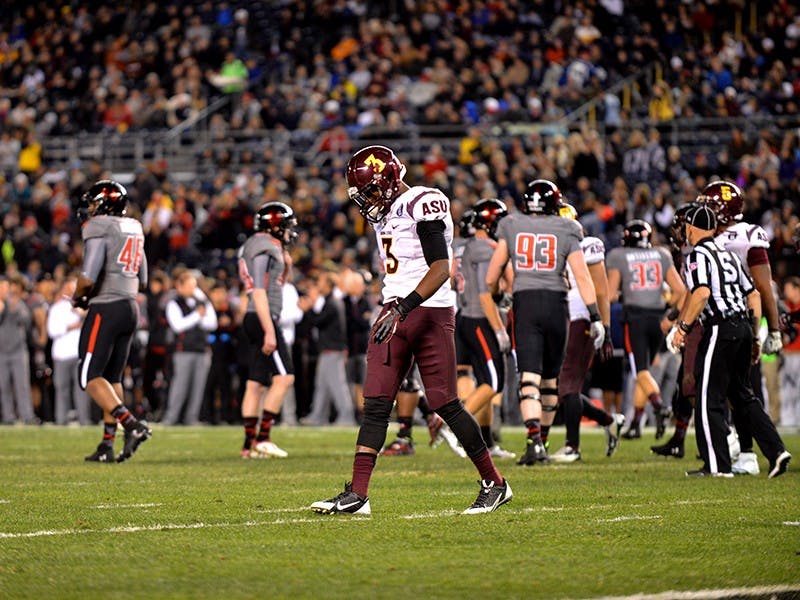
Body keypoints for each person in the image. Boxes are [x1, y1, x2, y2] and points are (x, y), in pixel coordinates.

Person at [311, 145, 511, 515]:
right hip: (394, 310)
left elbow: (440, 266)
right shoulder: (382, 214)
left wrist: (403, 307)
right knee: (375, 403)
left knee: (444, 402)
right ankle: (358, 494)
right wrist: (393, 307)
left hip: (428, 311)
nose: (368, 200)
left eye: (371, 190)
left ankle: (495, 483)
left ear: (388, 181)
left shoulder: (424, 201)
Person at [486, 179, 604, 466]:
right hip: (557, 305)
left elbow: (492, 276)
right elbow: (582, 276)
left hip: (526, 303)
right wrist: (596, 316)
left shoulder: (512, 224)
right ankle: (545, 441)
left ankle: (534, 441)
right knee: (551, 380)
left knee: (530, 378)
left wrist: (499, 294)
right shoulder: (568, 228)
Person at [667, 204, 790, 478]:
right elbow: (754, 295)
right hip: (744, 327)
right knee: (743, 395)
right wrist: (755, 335)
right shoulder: (729, 255)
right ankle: (776, 450)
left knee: (707, 397)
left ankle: (717, 466)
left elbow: (700, 294)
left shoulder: (698, 254)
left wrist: (683, 328)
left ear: (690, 227)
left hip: (720, 329)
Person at [695, 181, 784, 476]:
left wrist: (772, 329)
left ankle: (742, 450)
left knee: (736, 389)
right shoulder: (721, 238)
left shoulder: (743, 236)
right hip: (740, 321)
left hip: (735, 320)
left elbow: (762, 287)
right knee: (738, 390)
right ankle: (752, 449)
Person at [75, 180, 152, 463]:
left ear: (105, 205)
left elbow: (88, 275)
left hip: (106, 307)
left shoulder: (99, 227)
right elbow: (142, 280)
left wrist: (78, 296)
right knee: (112, 378)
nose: (91, 210)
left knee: (89, 376)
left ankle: (132, 424)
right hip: (130, 307)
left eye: (95, 204)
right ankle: (107, 444)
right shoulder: (134, 226)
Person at [553, 203, 624, 462]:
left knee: (569, 384)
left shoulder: (588, 244)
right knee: (561, 386)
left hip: (582, 318)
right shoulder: (551, 244)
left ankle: (573, 446)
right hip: (561, 318)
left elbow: (602, 289)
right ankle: (608, 420)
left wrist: (604, 326)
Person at [606, 219, 685, 440]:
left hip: (636, 318)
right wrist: (670, 316)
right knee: (645, 372)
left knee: (640, 371)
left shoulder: (618, 255)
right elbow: (680, 291)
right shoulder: (661, 254)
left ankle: (659, 406)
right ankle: (635, 423)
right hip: (659, 319)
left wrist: (621, 292)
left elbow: (611, 294)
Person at [455, 198, 516, 459]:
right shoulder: (484, 248)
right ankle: (455, 425)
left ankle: (487, 442)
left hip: (468, 316)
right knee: (493, 382)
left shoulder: (467, 247)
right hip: (480, 319)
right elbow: (484, 295)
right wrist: (500, 329)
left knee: (485, 381)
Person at [238, 201, 297, 459]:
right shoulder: (263, 246)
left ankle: (248, 446)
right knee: (284, 378)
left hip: (255, 315)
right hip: (262, 316)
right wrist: (269, 330)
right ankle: (263, 438)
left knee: (255, 384)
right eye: (286, 226)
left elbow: (276, 282)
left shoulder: (260, 244)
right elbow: (259, 290)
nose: (289, 232)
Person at [299, 270, 356, 426]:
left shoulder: (332, 303)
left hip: (333, 351)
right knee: (322, 387)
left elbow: (317, 321)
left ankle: (346, 418)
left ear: (329, 285)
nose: (319, 286)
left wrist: (308, 309)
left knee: (338, 386)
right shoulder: (330, 301)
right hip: (328, 351)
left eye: (321, 283)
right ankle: (317, 417)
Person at [161, 269, 218, 426]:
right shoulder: (173, 303)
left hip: (202, 350)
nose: (192, 289)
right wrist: (197, 316)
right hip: (183, 350)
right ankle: (171, 418)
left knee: (198, 388)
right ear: (179, 286)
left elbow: (212, 323)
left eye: (194, 286)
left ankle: (191, 418)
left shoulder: (201, 302)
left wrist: (200, 309)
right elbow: (178, 326)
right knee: (180, 386)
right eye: (189, 286)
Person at [47, 273, 91, 426]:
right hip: (62, 354)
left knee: (81, 389)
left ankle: (84, 420)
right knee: (62, 389)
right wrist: (71, 326)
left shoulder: (84, 307)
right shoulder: (57, 308)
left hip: (79, 353)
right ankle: (61, 420)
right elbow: (52, 331)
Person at [0, 275, 36, 424]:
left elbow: (27, 322)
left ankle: (27, 416)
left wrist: (14, 309)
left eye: (4, 287)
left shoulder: (17, 303)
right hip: (1, 352)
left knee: (22, 385)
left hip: (18, 350)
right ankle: (8, 417)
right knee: (4, 386)